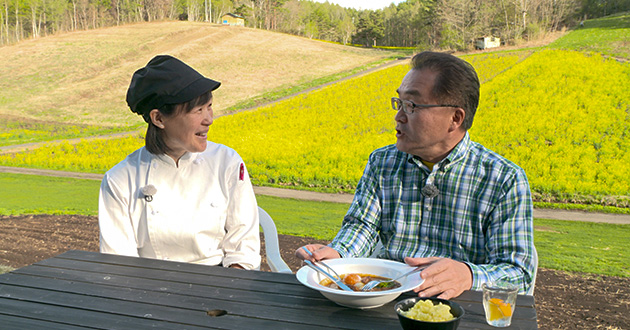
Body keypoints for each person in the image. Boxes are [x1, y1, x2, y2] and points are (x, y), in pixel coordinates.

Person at [296, 51, 537, 299]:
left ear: (455, 118)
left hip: (457, 306)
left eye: (411, 106)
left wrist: (468, 275)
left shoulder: (503, 179)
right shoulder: (382, 162)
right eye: (399, 103)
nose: (398, 116)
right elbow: (363, 226)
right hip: (383, 298)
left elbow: (518, 272)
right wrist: (337, 254)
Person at [99, 55, 260, 270]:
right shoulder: (120, 179)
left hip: (220, 283)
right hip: (148, 288)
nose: (209, 119)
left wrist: (228, 292)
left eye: (209, 106)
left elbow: (243, 247)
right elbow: (119, 265)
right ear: (159, 119)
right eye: (198, 110)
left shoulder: (227, 162)